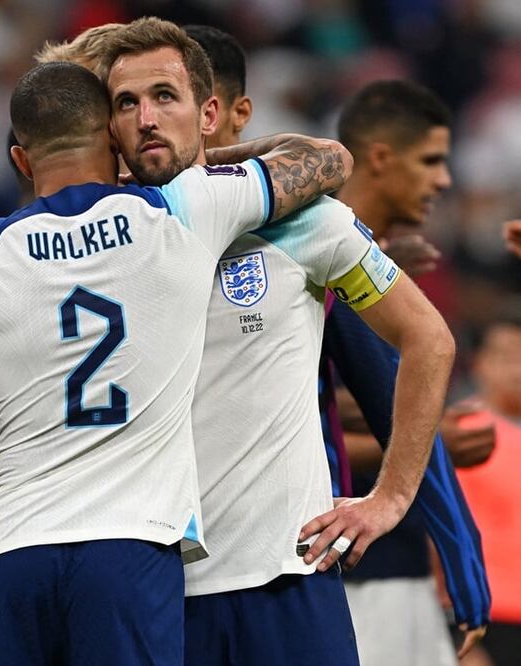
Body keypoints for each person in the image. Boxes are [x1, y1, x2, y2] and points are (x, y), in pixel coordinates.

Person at [0, 20, 456, 666]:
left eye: (164, 97)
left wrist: (390, 497)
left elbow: (428, 339)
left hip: (287, 575)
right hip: (157, 589)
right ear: (107, 127)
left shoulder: (304, 220)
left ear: (209, 113)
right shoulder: (91, 249)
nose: (146, 119)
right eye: (125, 103)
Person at [0, 29, 352, 662]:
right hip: (129, 552)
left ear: (21, 161)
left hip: (3, 559)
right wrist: (208, 156)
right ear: (112, 138)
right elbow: (326, 158)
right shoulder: (182, 210)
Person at [184, 27, 490, 659]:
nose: (443, 180)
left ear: (233, 114)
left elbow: (393, 374)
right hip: (173, 566)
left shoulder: (306, 235)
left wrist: (454, 545)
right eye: (429, 161)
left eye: (183, 104)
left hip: (299, 555)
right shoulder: (138, 236)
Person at [330, 79, 488, 665]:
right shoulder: (304, 259)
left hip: (402, 562)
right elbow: (308, 415)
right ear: (379, 157)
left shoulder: (385, 271)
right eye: (430, 160)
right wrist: (426, 440)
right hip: (349, 568)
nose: (443, 180)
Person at [455, 311, 521, 666]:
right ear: (479, 363)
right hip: (485, 619)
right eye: (507, 356)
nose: (517, 369)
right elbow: (435, 535)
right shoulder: (459, 435)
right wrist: (453, 630)